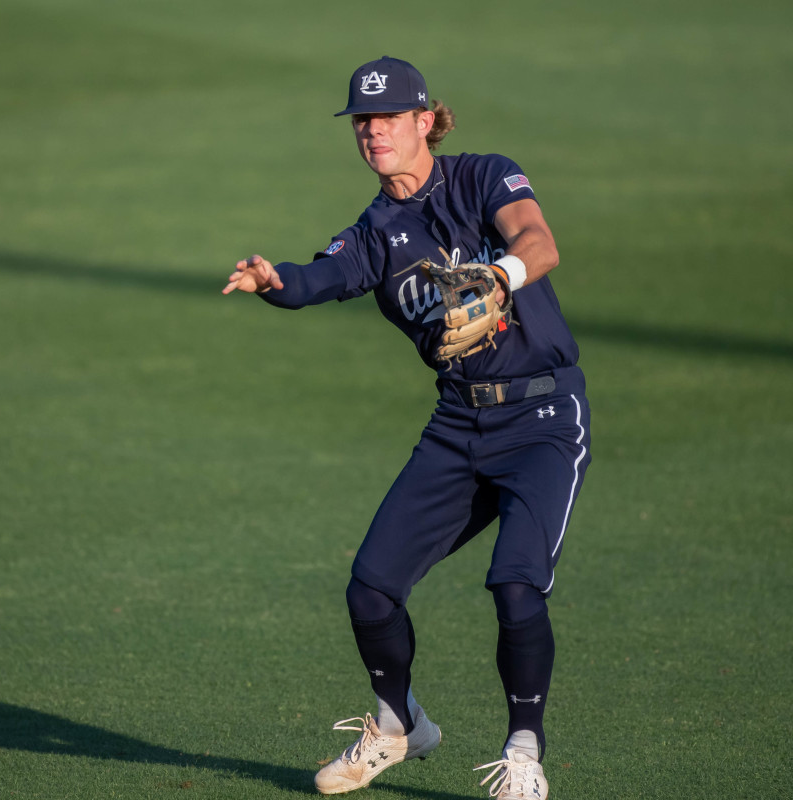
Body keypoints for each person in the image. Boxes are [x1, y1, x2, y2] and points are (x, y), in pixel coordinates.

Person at [222, 56, 590, 799]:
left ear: (426, 120)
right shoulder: (377, 231)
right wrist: (274, 282)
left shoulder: (486, 176)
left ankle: (524, 752)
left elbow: (539, 242)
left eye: (389, 118)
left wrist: (500, 276)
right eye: (363, 120)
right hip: (460, 424)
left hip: (544, 416)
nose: (374, 132)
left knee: (517, 587)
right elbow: (318, 279)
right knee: (371, 591)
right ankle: (398, 725)